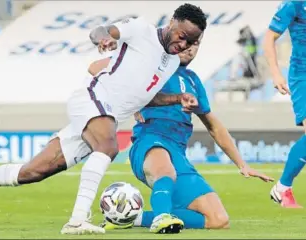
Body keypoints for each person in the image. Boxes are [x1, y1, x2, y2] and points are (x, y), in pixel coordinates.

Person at [0, 4, 207, 235]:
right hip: (92, 98)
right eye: (181, 35)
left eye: (190, 41)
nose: (182, 44)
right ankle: (76, 220)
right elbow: (101, 30)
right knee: (109, 146)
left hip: (102, 115)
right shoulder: (140, 29)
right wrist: (105, 39)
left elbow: (145, 96)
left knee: (32, 172)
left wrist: (176, 99)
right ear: (172, 22)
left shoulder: (170, 62)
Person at [91, 37, 274, 233]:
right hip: (149, 140)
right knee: (165, 171)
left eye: (196, 44)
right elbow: (96, 67)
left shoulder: (193, 81)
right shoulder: (151, 65)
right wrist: (131, 97)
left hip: (178, 154)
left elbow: (215, 127)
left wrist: (242, 164)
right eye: (188, 42)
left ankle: (134, 218)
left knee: (218, 219)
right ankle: (162, 218)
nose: (190, 48)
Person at [264, 0, 305, 208]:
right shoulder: (295, 3)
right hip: (303, 76)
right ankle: (282, 187)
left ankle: (283, 188)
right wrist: (276, 74)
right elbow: (270, 37)